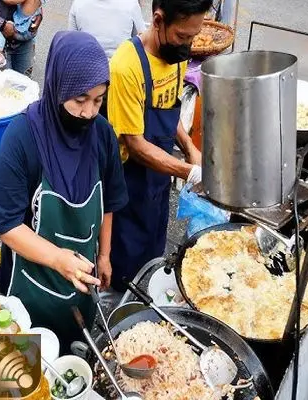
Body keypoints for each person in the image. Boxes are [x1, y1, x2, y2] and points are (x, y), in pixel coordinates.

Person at [0, 31, 128, 349]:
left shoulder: (102, 134)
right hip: (30, 290)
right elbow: (6, 225)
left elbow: (109, 201)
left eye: (98, 100)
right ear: (58, 86)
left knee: (76, 356)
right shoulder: (22, 138)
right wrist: (56, 259)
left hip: (81, 281)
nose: (89, 112)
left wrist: (104, 255)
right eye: (80, 100)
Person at [107, 0, 210, 292]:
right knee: (125, 270)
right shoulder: (126, 66)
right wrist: (189, 172)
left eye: (193, 36)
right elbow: (136, 145)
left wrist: (189, 147)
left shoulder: (175, 56)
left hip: (158, 181)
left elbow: (168, 110)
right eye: (182, 36)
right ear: (158, 20)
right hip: (129, 184)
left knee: (154, 254)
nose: (187, 45)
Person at [0, 0, 42, 76]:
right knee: (3, 81)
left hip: (23, 32)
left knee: (25, 79)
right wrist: (2, 25)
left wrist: (38, 12)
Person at [68, 0, 146, 60]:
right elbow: (143, 41)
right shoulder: (131, 4)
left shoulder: (78, 4)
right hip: (121, 68)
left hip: (88, 68)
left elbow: (70, 45)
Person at [0, 0, 42, 67]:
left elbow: (11, 1)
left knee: (1, 29)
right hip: (31, 26)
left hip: (21, 30)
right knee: (31, 36)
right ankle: (32, 53)